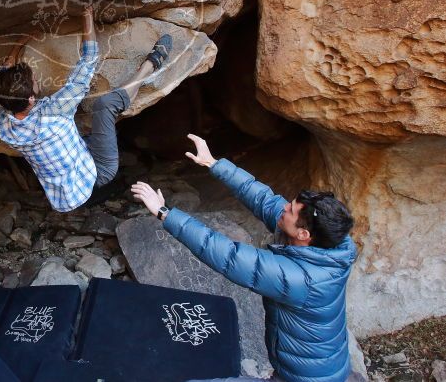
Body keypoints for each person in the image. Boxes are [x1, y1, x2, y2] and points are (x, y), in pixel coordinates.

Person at [131, 134, 358, 382]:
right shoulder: (331, 243)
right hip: (316, 368)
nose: (283, 207)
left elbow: (227, 255)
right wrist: (214, 163)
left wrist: (164, 213)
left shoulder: (300, 279)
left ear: (304, 234)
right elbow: (264, 199)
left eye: (290, 210)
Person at [0, 5, 173, 212]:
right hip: (97, 173)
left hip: (65, 195)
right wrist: (88, 17)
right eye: (34, 80)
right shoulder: (55, 111)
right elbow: (88, 60)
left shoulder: (1, 121)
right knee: (106, 105)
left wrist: (19, 43)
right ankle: (150, 65)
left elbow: (3, 74)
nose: (37, 79)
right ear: (31, 99)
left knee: (83, 131)